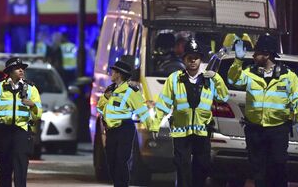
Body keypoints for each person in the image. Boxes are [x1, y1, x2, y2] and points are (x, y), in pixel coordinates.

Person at [228, 34, 298, 187]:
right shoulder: (250, 73)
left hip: (278, 130)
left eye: (256, 53)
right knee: (259, 171)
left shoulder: (287, 76)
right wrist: (238, 60)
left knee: (278, 167)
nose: (253, 55)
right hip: (255, 130)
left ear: (266, 54)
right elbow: (233, 80)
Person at [151, 39, 229, 187]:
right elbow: (163, 104)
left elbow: (223, 97)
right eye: (189, 58)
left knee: (203, 167)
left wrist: (217, 78)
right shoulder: (174, 79)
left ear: (200, 59)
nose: (193, 61)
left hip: (202, 131)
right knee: (182, 167)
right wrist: (155, 124)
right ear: (184, 59)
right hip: (181, 132)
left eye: (196, 58)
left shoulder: (210, 79)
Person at [0, 57, 42, 187]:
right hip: (3, 131)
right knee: (4, 166)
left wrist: (33, 105)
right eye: (17, 68)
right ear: (9, 71)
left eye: (22, 68)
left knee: (21, 166)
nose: (21, 70)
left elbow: (38, 114)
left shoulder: (31, 89)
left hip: (22, 131)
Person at [96, 59, 157, 187]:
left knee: (121, 161)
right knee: (111, 162)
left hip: (125, 129)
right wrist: (105, 97)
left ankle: (121, 185)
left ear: (119, 74)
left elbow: (142, 111)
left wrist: (152, 126)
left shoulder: (131, 92)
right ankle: (119, 183)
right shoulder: (110, 89)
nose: (111, 74)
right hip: (111, 131)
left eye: (113, 72)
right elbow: (100, 108)